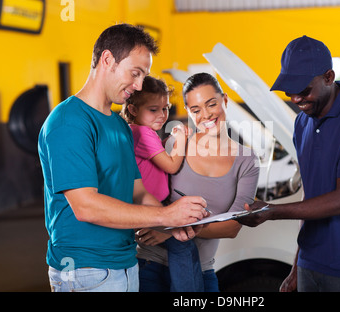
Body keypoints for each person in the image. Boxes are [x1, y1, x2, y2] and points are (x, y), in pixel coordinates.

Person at [38, 23, 207, 292]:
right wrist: (167, 214)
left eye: (144, 76)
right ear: (107, 60)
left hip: (126, 262)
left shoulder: (119, 126)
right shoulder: (69, 121)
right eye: (135, 73)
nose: (139, 85)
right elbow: (86, 206)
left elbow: (137, 192)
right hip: (85, 271)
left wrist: (171, 223)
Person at [238, 35, 340, 292]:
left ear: (328, 77)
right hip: (310, 264)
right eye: (290, 91)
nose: (295, 99)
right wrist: (297, 265)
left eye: (304, 90)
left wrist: (272, 212)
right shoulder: (302, 123)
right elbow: (312, 195)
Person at [136, 72, 260, 292]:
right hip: (150, 266)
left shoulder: (247, 161)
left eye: (211, 104)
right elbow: (144, 193)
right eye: (196, 110)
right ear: (188, 112)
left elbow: (232, 227)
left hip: (201, 272)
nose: (206, 115)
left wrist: (170, 228)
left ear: (225, 100)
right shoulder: (175, 144)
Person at [121, 75, 204, 292]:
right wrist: (182, 140)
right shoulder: (143, 132)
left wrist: (167, 143)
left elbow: (153, 156)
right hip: (149, 206)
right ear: (132, 109)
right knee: (183, 246)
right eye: (153, 109)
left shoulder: (137, 132)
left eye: (165, 108)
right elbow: (171, 166)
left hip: (146, 205)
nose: (162, 115)